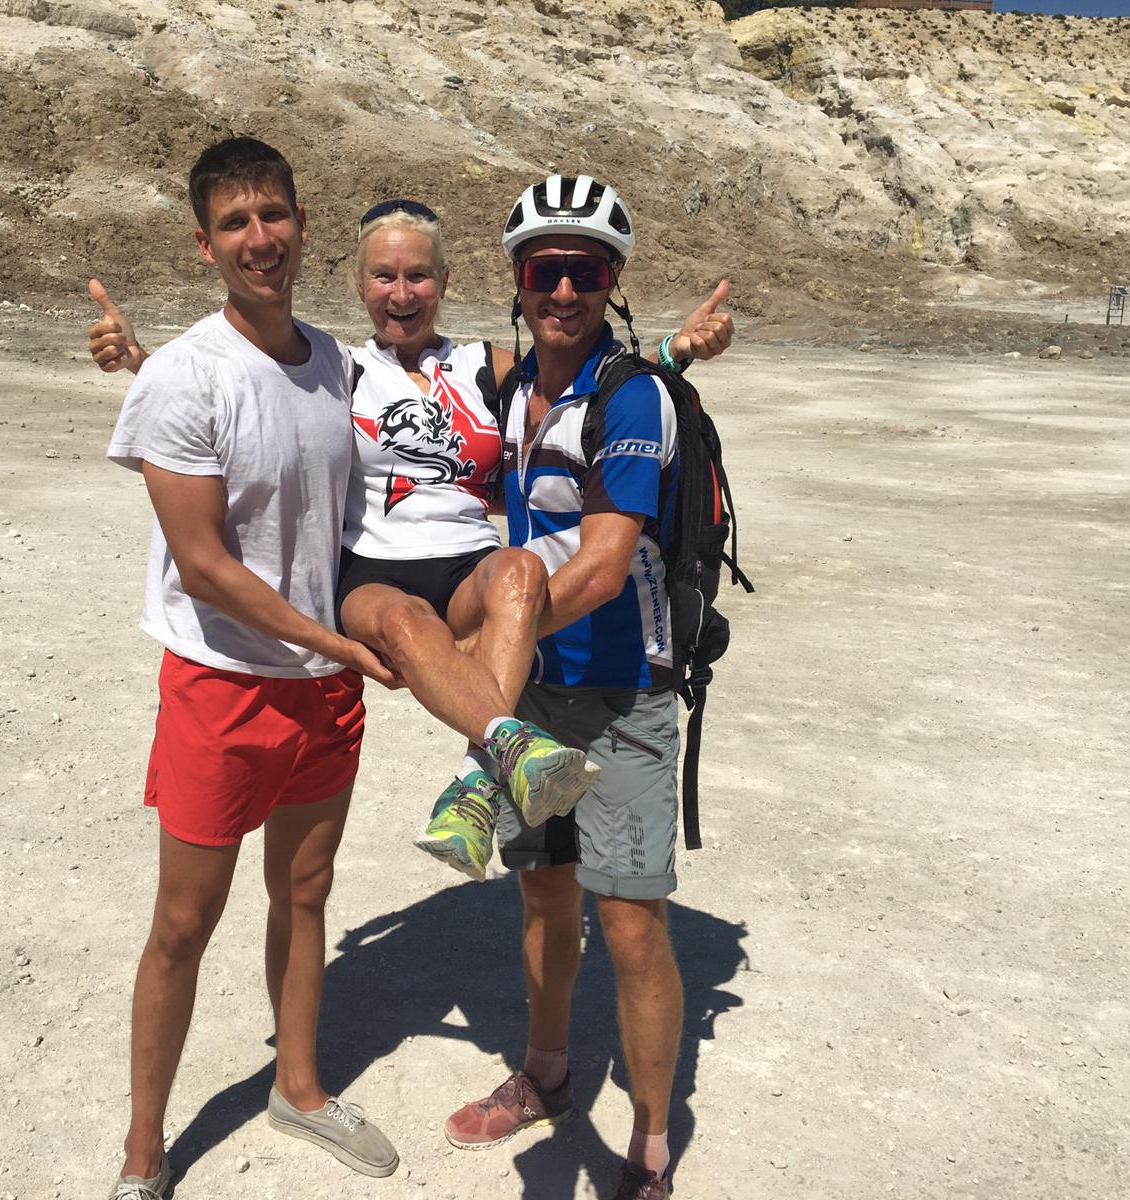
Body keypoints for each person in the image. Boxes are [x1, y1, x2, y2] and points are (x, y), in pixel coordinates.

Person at [89, 202, 734, 882]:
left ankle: (477, 782)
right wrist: (143, 363)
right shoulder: (338, 368)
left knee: (521, 571)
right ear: (359, 284)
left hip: (466, 563)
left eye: (419, 276)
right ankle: (504, 754)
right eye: (384, 276)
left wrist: (672, 354)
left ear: (444, 282)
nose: (402, 294)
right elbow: (247, 397)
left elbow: (577, 381)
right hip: (372, 569)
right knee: (405, 621)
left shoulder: (485, 366)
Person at [101, 136, 400, 1200]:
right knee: (183, 923)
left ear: (303, 225)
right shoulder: (182, 375)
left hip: (323, 690)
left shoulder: (336, 364)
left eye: (273, 215)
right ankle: (145, 1151)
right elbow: (205, 565)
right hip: (224, 686)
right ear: (205, 244)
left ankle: (299, 1087)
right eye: (235, 222)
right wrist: (336, 643)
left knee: (306, 891)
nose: (259, 238)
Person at [439, 174, 701, 1200]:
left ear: (611, 280)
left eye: (583, 272)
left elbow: (597, 569)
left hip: (623, 697)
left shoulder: (632, 399)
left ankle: (649, 1145)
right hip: (534, 694)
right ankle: (545, 1074)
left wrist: (481, 634)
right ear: (516, 277)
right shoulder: (511, 391)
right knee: (545, 895)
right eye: (545, 269)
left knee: (630, 923)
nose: (562, 290)